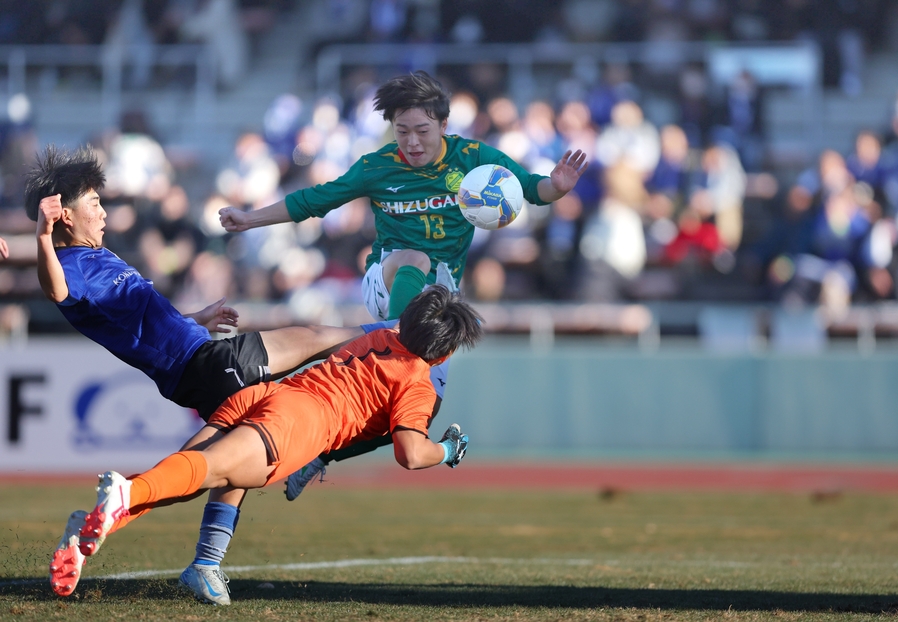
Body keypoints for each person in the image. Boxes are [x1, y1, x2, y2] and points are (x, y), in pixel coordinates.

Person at [24, 145, 384, 602]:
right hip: (200, 365)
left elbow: (145, 320)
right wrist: (41, 235)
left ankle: (131, 528)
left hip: (196, 358)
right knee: (311, 341)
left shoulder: (99, 257)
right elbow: (53, 289)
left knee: (209, 469)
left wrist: (197, 317)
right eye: (94, 203)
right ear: (66, 217)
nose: (104, 213)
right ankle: (392, 333)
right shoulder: (70, 265)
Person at [219, 70, 589, 498]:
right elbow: (314, 200)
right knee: (415, 258)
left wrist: (556, 187)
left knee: (412, 420)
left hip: (439, 303)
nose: (412, 142)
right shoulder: (377, 166)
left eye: (422, 131)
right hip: (388, 280)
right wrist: (250, 218)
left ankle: (323, 455)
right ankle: (393, 339)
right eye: (402, 131)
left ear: (444, 126)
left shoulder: (473, 158)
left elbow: (530, 189)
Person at [54, 285, 481, 605]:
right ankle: (126, 495)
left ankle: (152, 543)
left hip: (270, 392)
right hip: (300, 421)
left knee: (189, 473)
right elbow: (410, 452)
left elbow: (320, 338)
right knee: (205, 472)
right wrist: (448, 450)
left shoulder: (378, 337)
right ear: (444, 355)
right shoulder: (419, 381)